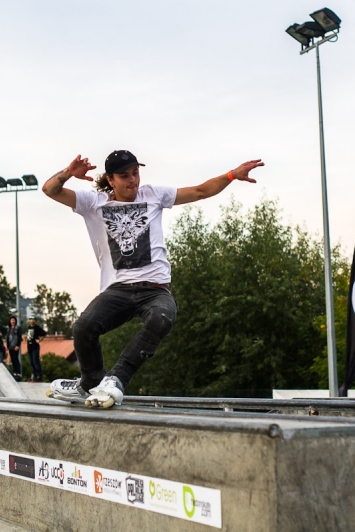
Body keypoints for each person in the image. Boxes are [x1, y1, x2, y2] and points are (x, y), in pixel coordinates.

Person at [42, 151, 263, 408]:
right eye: (124, 176)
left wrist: (232, 175)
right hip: (118, 290)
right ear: (111, 180)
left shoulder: (154, 195)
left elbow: (200, 191)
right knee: (83, 327)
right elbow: (50, 190)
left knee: (162, 316)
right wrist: (68, 173)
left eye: (135, 173)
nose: (133, 181)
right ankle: (89, 383)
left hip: (155, 290)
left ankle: (115, 380)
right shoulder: (93, 203)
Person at [24, 316, 46, 382]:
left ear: (35, 321)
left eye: (33, 319)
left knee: (35, 360)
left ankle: (39, 374)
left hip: (35, 346)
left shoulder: (37, 327)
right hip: (29, 346)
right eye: (31, 319)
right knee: (31, 362)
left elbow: (44, 334)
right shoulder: (28, 327)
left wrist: (39, 340)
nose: (32, 320)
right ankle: (34, 374)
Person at [5, 316, 22, 381]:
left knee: (16, 359)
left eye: (13, 320)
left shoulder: (17, 328)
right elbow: (7, 338)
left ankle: (18, 373)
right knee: (12, 359)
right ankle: (15, 372)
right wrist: (7, 346)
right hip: (10, 346)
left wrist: (17, 345)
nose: (12, 321)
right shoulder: (9, 329)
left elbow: (19, 337)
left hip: (15, 345)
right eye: (11, 320)